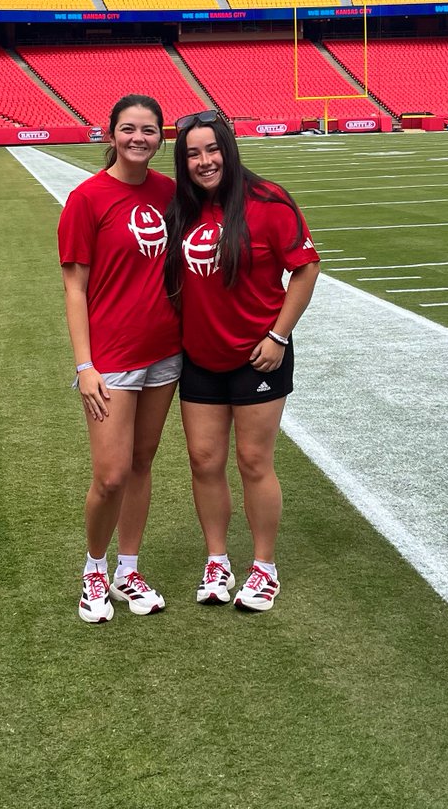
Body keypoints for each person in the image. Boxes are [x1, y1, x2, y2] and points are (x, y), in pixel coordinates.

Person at [164, 110, 320, 612]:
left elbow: (306, 269)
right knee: (204, 461)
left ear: (228, 150)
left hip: (260, 356)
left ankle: (264, 566)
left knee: (254, 461)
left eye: (212, 150)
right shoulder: (180, 209)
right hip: (200, 357)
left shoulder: (268, 201)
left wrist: (279, 335)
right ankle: (216, 559)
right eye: (192, 153)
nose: (204, 161)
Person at [58, 94, 181, 624]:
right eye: (128, 129)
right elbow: (74, 288)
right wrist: (85, 366)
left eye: (149, 130)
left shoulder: (171, 194)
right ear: (109, 134)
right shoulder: (86, 198)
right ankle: (94, 568)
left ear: (161, 137)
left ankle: (128, 568)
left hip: (165, 353)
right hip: (111, 359)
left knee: (141, 463)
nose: (139, 138)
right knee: (109, 475)